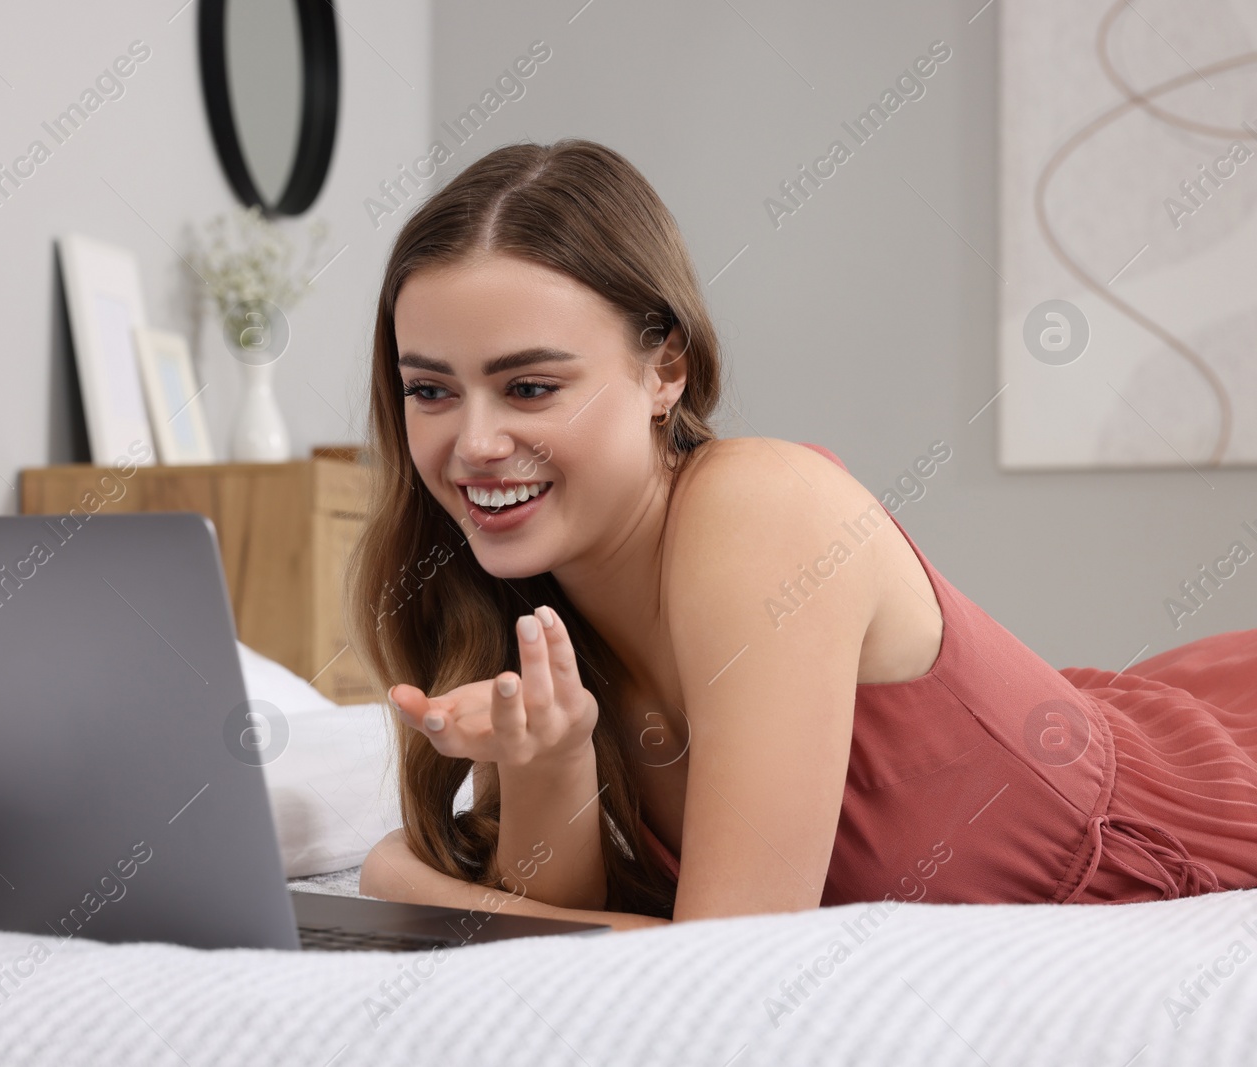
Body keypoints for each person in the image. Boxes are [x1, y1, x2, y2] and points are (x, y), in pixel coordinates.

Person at [345, 138, 1257, 932]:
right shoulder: (519, 596)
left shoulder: (759, 509)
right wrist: (552, 768)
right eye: (430, 390)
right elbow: (547, 926)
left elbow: (728, 958)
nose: (472, 444)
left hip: (1209, 787)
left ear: (667, 368)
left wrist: (402, 880)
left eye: (531, 388)